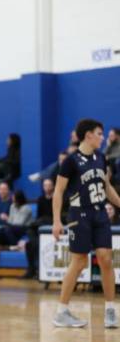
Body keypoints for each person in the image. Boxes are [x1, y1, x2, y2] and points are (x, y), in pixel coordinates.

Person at [52, 119, 120, 329]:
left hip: (99, 213)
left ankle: (110, 309)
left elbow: (106, 186)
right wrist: (56, 220)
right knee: (80, 262)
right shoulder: (70, 161)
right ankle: (62, 312)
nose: (102, 137)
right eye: (99, 133)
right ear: (88, 135)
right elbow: (58, 191)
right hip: (78, 214)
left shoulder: (101, 157)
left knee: (106, 259)